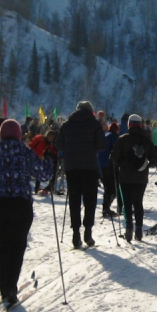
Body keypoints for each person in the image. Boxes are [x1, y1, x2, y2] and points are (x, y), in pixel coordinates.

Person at [0, 119, 53, 308]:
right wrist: (48, 161)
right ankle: (11, 288)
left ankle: (4, 288)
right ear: (18, 134)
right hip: (20, 204)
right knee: (18, 245)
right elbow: (43, 175)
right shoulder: (24, 151)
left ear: (0, 133)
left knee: (4, 244)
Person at [56, 100, 105, 248]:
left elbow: (58, 145)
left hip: (71, 167)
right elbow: (101, 145)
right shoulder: (95, 124)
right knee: (90, 200)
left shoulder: (66, 125)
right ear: (90, 111)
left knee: (74, 199)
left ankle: (75, 233)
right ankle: (88, 233)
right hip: (89, 166)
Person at [110, 114, 157, 241]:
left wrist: (120, 163)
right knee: (138, 202)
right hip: (141, 177)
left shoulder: (122, 139)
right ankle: (138, 229)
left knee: (127, 203)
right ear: (141, 125)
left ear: (129, 125)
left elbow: (114, 158)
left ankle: (129, 227)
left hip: (125, 176)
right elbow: (155, 161)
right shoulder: (147, 141)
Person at [99, 121, 120, 217]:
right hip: (109, 164)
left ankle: (105, 207)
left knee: (107, 187)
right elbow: (116, 151)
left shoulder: (105, 135)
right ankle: (106, 208)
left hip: (100, 164)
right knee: (113, 188)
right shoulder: (114, 137)